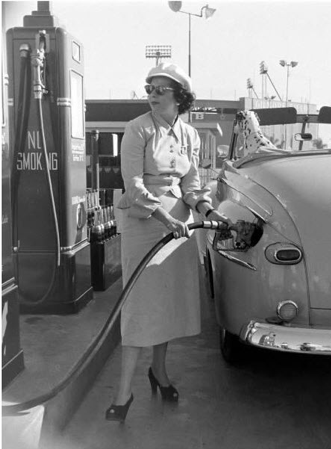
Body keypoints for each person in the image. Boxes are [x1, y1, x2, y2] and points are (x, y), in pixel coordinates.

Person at [105, 63, 229, 422]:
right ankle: (123, 392)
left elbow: (192, 185)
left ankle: (158, 372)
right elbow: (134, 186)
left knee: (166, 306)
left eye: (161, 89)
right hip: (148, 223)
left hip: (179, 228)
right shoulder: (137, 129)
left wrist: (208, 210)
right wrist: (166, 218)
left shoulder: (189, 134)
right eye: (149, 87)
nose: (153, 94)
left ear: (180, 97)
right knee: (139, 308)